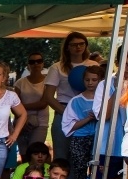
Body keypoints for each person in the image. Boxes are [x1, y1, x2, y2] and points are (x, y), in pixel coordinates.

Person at [42, 32, 100, 161]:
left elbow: (100, 92)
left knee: (85, 157)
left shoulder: (93, 65)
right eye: (74, 45)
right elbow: (49, 96)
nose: (78, 47)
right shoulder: (57, 67)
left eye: (81, 44)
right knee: (62, 156)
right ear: (67, 47)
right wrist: (68, 113)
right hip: (63, 110)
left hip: (89, 113)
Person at [92, 50, 127, 179]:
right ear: (118, 62)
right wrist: (118, 88)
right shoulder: (105, 85)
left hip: (126, 143)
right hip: (109, 142)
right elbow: (103, 115)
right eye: (126, 63)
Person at [62, 65, 101, 179]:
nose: (90, 83)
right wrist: (88, 119)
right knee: (79, 174)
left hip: (99, 139)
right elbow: (68, 126)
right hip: (80, 140)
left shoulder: (105, 100)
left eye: (94, 80)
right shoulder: (76, 101)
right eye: (87, 80)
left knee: (97, 173)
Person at [14, 53, 49, 162]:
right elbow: (14, 105)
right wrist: (23, 117)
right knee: (24, 155)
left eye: (39, 61)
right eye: (32, 62)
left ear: (43, 63)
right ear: (28, 65)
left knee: (35, 154)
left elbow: (43, 103)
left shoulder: (48, 82)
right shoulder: (20, 82)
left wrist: (22, 107)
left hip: (41, 123)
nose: (36, 64)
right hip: (21, 123)